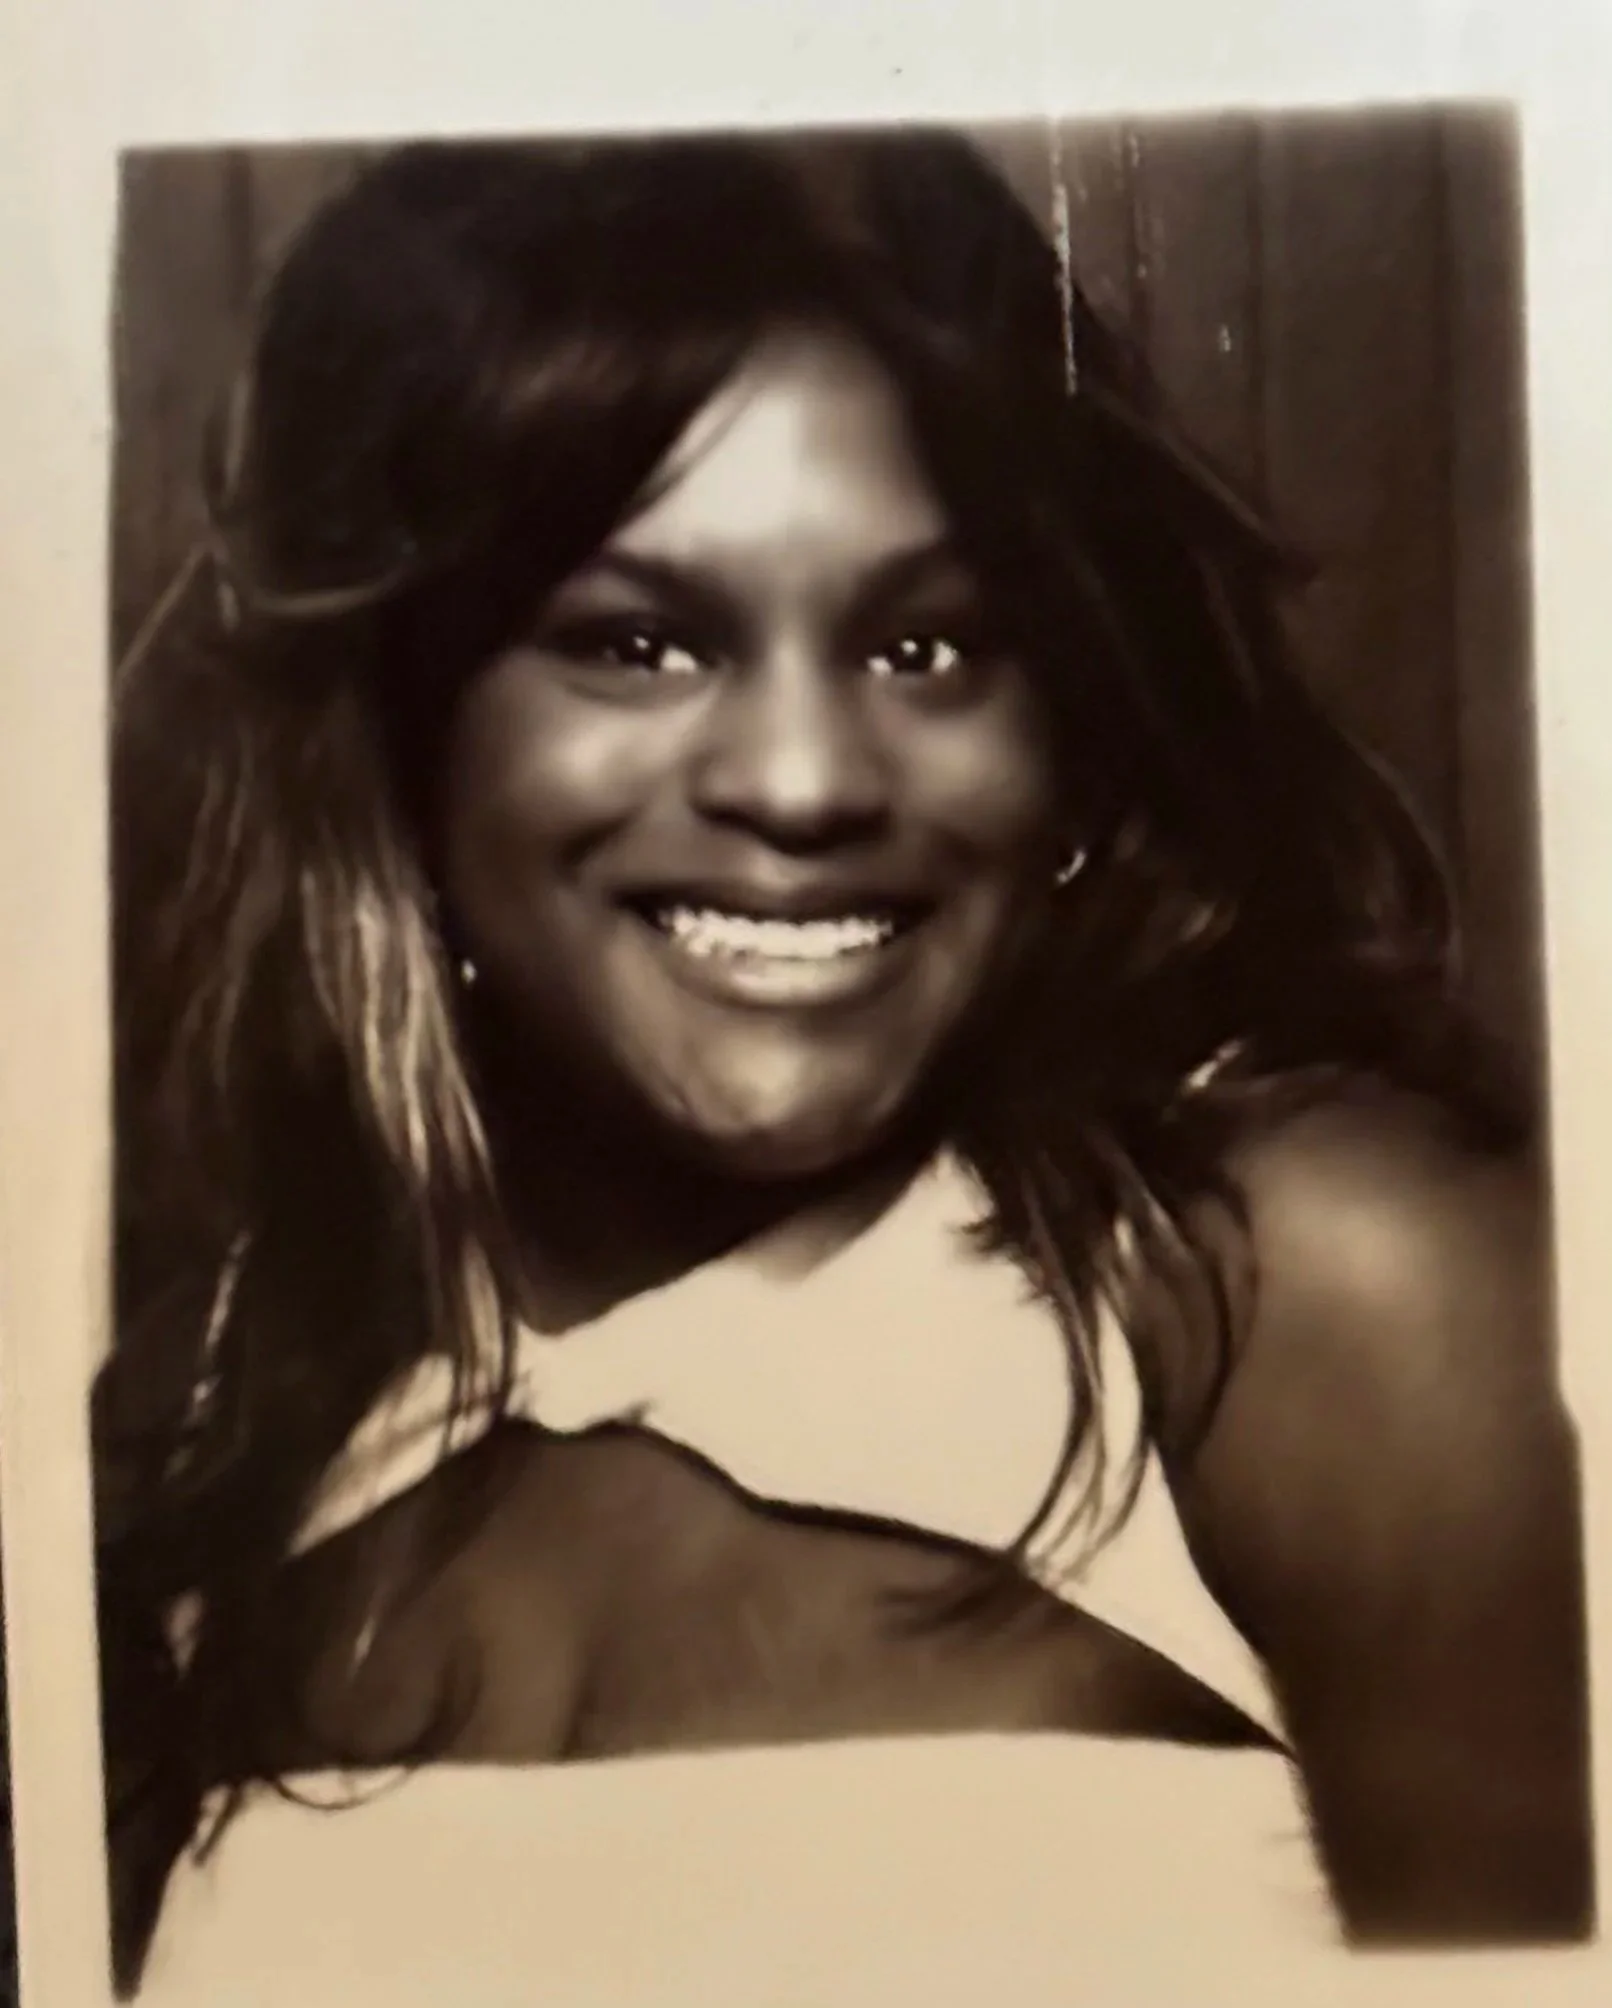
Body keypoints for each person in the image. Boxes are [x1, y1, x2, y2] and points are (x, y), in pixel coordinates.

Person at [96, 127, 1592, 2002]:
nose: (802, 782)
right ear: (405, 738)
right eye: (636, 642)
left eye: (926, 643)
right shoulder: (220, 1419)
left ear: (1065, 729)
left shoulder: (1310, 1295)